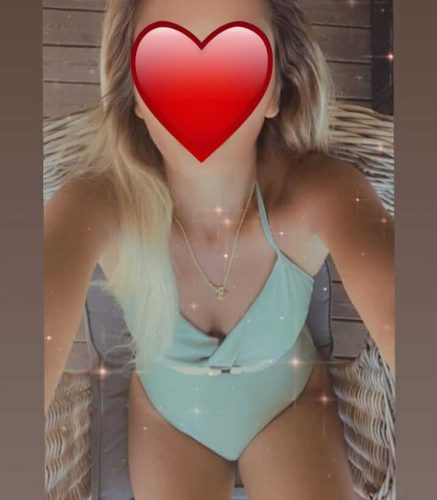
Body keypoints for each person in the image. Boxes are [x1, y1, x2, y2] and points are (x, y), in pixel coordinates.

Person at [44, 0, 394, 498]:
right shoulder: (94, 205)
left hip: (288, 407)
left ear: (275, 92)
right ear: (136, 96)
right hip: (169, 423)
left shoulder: (321, 196)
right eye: (167, 64)